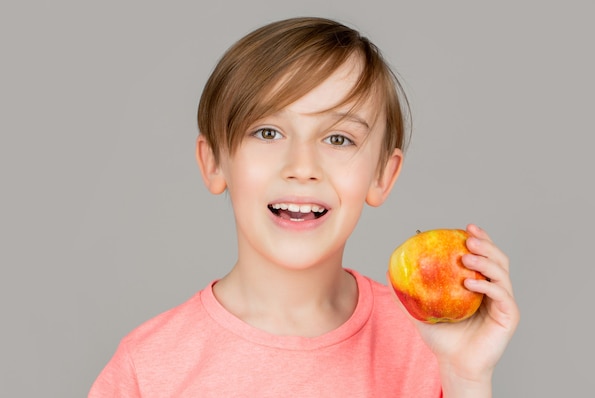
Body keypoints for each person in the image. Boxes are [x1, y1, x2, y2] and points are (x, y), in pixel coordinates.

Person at [89, 17, 519, 397]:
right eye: (268, 132)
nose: (302, 167)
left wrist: (466, 380)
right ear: (214, 161)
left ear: (382, 175)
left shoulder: (429, 348)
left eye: (338, 139)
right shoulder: (147, 368)